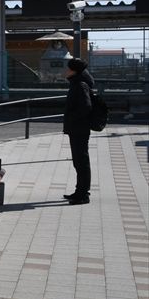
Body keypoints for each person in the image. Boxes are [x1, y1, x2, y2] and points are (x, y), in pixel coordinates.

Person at [62, 57, 94, 205]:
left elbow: (85, 107)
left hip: (79, 129)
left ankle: (83, 195)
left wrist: (72, 119)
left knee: (81, 162)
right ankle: (79, 192)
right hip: (77, 128)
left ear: (74, 70)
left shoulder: (80, 85)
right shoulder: (77, 83)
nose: (66, 70)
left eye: (68, 68)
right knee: (79, 162)